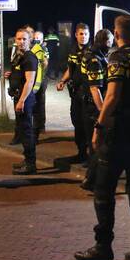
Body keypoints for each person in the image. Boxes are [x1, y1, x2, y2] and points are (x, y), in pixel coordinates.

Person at [75, 14, 130, 260]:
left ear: (117, 33)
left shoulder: (117, 58)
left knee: (104, 191)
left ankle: (103, 248)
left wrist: (99, 126)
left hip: (117, 134)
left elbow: (111, 96)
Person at [79, 29, 113, 191]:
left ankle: (92, 178)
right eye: (110, 41)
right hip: (93, 107)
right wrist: (102, 112)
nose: (112, 44)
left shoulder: (92, 54)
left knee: (95, 144)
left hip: (88, 105)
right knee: (99, 144)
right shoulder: (95, 60)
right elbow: (95, 89)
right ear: (105, 41)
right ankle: (91, 180)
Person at [56, 23, 91, 161]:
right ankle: (81, 153)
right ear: (76, 35)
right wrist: (62, 81)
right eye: (81, 34)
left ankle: (91, 156)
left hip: (88, 93)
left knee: (87, 123)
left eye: (86, 34)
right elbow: (70, 69)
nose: (84, 37)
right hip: (76, 93)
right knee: (77, 121)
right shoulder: (73, 50)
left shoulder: (91, 51)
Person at [8, 28, 39, 175]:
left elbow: (30, 81)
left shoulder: (29, 58)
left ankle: (31, 165)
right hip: (19, 97)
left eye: (24, 39)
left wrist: (21, 101)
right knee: (22, 130)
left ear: (29, 40)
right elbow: (19, 74)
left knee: (27, 132)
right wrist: (11, 75)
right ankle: (27, 160)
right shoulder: (19, 56)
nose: (21, 41)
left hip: (24, 99)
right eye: (19, 39)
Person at [31, 29, 49, 137]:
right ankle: (35, 125)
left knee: (40, 103)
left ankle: (41, 126)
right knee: (33, 103)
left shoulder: (44, 49)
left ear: (42, 39)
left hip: (42, 79)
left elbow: (46, 63)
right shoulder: (32, 48)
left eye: (38, 38)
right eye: (35, 38)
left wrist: (40, 63)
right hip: (33, 79)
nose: (36, 39)